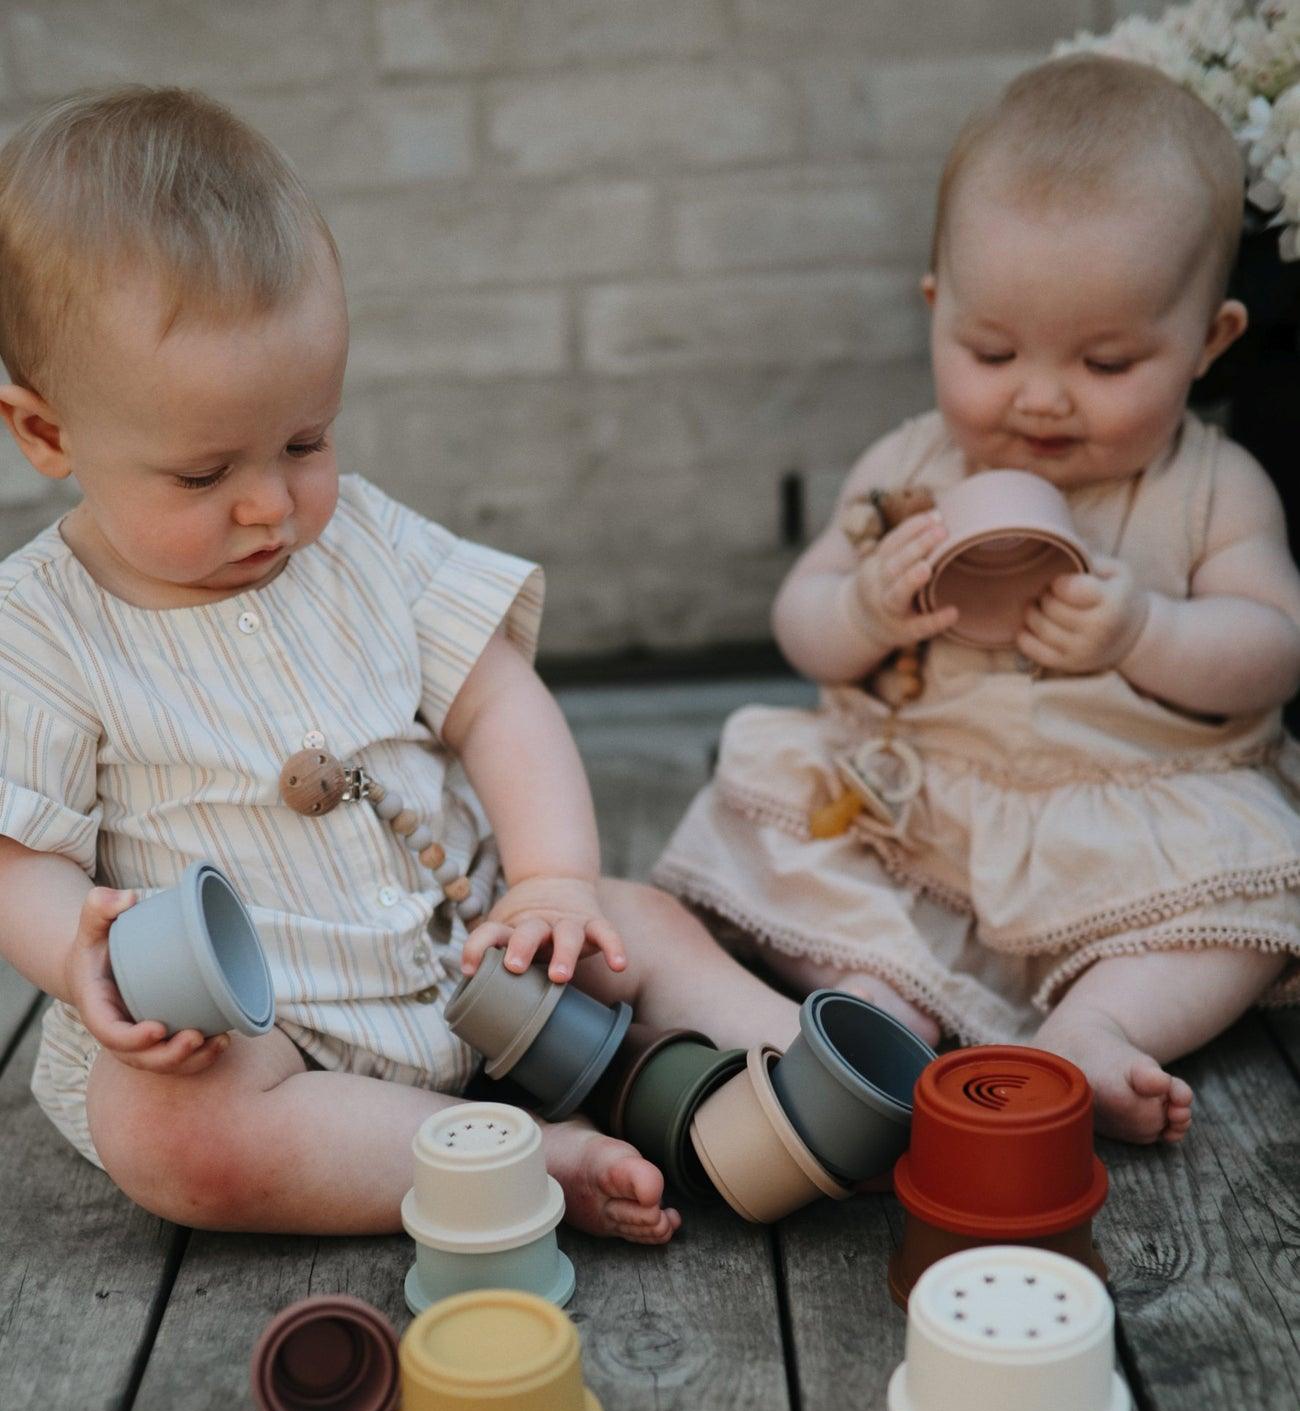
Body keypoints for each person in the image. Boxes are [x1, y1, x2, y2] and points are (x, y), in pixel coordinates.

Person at [0, 86, 799, 1240]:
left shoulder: (367, 540)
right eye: (201, 475)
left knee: (645, 924)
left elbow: (497, 702)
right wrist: (76, 959)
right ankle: (514, 1164)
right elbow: (19, 860)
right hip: (262, 1036)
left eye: (306, 441)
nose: (270, 504)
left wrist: (553, 883)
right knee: (174, 1138)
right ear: (46, 434)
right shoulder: (40, 627)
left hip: (484, 952)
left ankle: (804, 1069)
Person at [654, 55, 1300, 1146]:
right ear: (934, 309)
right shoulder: (906, 467)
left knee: (1244, 899)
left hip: (1133, 816)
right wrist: (862, 609)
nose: (1040, 395)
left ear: (1209, 343)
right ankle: (882, 1007)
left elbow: (1273, 646)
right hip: (922, 811)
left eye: (1106, 361)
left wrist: (1148, 629)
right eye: (991, 349)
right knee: (793, 846)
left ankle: (1095, 1028)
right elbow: (801, 621)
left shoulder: (1209, 489)